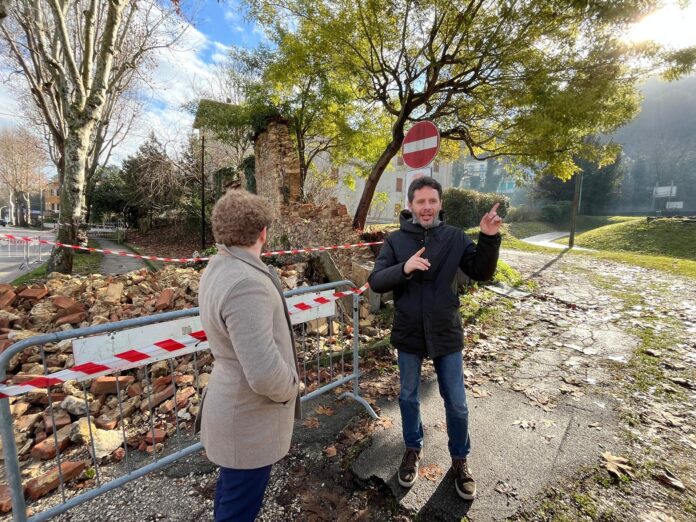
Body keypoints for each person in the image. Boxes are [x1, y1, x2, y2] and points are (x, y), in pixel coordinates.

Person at [368, 177, 502, 500]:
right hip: (410, 333)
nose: (426, 207)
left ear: (440, 204)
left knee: (456, 402)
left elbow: (481, 271)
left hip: (446, 332)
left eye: (432, 201)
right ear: (411, 205)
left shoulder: (454, 238)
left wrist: (487, 238)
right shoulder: (396, 240)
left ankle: (460, 460)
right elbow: (375, 280)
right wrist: (405, 267)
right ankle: (413, 449)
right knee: (408, 397)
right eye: (420, 202)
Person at [197, 189, 300, 522]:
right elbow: (264, 370)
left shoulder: (220, 266)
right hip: (248, 418)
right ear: (263, 232)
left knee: (231, 497)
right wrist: (291, 388)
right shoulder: (246, 283)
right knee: (239, 508)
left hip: (236, 410)